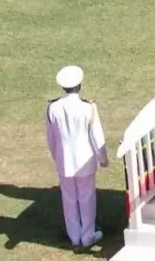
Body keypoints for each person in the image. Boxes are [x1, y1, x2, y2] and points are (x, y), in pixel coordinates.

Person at [45, 65, 108, 249]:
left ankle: (74, 236)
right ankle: (87, 235)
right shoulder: (88, 107)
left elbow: (51, 138)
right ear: (79, 85)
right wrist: (102, 158)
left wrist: (56, 157)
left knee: (69, 198)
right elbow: (96, 135)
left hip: (64, 160)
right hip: (85, 161)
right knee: (86, 197)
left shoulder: (53, 108)